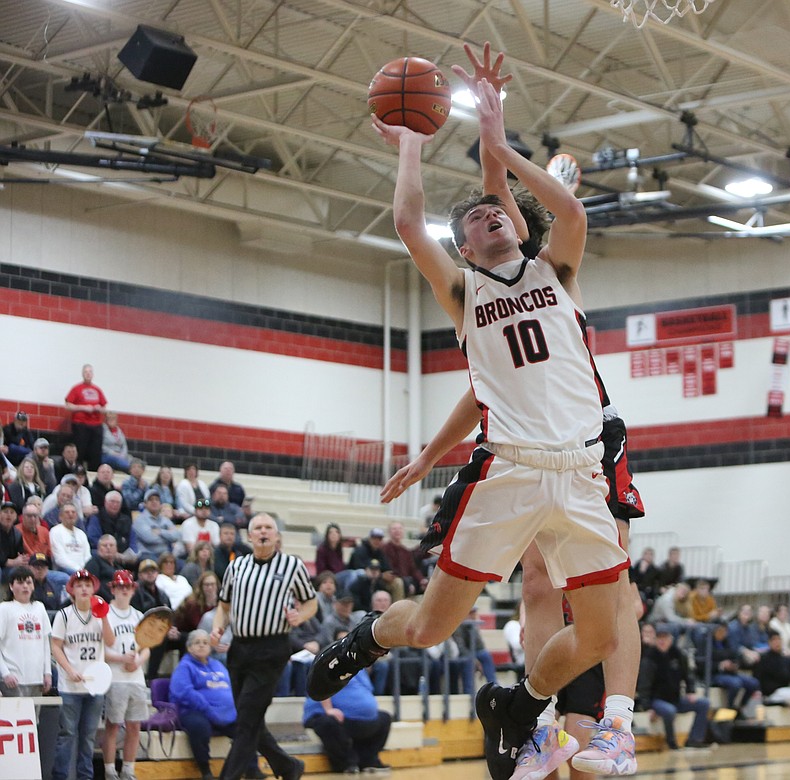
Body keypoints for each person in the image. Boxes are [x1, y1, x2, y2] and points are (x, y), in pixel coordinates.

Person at [310, 67, 632, 780]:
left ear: (514, 225)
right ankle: (367, 635)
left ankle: (519, 705)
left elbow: (572, 214)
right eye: (475, 222)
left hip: (579, 473)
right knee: (428, 628)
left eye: (496, 213)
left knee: (602, 634)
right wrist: (409, 143)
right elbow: (405, 222)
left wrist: (499, 142)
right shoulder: (465, 292)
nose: (489, 218)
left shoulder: (559, 271)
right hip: (510, 470)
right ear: (463, 248)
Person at [210, 513, 314, 780]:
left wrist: (298, 617)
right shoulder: (237, 566)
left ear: (277, 535)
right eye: (258, 527)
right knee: (250, 718)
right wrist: (217, 627)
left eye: (269, 527)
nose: (264, 531)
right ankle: (288, 767)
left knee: (245, 721)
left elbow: (310, 603)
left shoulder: (292, 565)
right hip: (239, 648)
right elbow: (223, 606)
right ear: (250, 535)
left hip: (272, 649)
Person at [51, 569, 114, 780]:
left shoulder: (101, 613)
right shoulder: (64, 615)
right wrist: (69, 670)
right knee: (67, 735)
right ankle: (60, 776)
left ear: (93, 589)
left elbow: (110, 641)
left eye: (88, 584)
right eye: (80, 585)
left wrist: (104, 616)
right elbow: (56, 646)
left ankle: (85, 777)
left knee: (88, 737)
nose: (84, 588)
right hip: (70, 686)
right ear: (72, 590)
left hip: (95, 685)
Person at [302, 628, 392, 774]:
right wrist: (328, 709)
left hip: (358, 719)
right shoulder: (329, 661)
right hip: (328, 714)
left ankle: (368, 760)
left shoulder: (358, 665)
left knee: (384, 718)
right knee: (328, 723)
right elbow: (320, 685)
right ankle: (346, 763)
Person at [170, 629, 239, 780]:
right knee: (199, 726)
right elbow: (184, 692)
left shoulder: (218, 665)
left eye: (205, 643)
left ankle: (246, 769)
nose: (202, 646)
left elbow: (230, 688)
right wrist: (208, 709)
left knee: (247, 728)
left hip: (223, 712)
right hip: (195, 711)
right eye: (197, 643)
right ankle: (205, 770)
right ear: (189, 647)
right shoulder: (184, 666)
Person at [103, 570, 149, 780]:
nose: (124, 590)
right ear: (112, 589)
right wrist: (122, 659)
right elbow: (100, 651)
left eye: (127, 586)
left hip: (137, 678)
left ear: (133, 589)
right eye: (120, 586)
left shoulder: (139, 615)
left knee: (134, 725)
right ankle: (110, 770)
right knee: (113, 725)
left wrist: (138, 661)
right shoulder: (105, 615)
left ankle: (129, 769)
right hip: (115, 678)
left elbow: (147, 646)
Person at [636, 627, 709, 750]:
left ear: (671, 639)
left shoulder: (678, 654)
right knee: (669, 711)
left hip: (676, 698)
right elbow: (644, 685)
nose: (662, 641)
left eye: (665, 638)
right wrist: (647, 707)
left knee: (704, 703)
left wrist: (691, 691)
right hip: (657, 700)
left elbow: (688, 675)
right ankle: (672, 743)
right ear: (655, 640)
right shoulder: (649, 658)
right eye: (659, 638)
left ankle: (694, 739)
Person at [0, 565, 53, 697]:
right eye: (20, 582)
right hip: (13, 679)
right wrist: (5, 673)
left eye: (28, 582)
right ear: (11, 586)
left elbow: (45, 643)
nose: (25, 586)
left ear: (33, 586)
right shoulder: (4, 609)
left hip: (36, 678)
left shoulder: (39, 608)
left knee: (35, 718)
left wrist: (47, 673)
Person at [133, 489, 181, 561]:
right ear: (145, 504)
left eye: (157, 499)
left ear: (160, 504)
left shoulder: (165, 520)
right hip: (147, 555)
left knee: (182, 564)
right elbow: (149, 538)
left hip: (165, 555)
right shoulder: (140, 520)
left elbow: (176, 536)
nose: (154, 502)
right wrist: (168, 536)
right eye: (151, 500)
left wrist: (160, 531)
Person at [382, 520, 427, 595]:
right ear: (389, 532)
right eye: (394, 529)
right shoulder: (385, 548)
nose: (397, 531)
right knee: (399, 583)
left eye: (400, 528)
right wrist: (406, 583)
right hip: (393, 581)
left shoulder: (405, 551)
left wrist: (421, 580)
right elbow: (390, 569)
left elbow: (413, 569)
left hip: (406, 581)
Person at [50, 503, 90, 575]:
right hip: (64, 570)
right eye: (67, 512)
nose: (70, 514)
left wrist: (85, 569)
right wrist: (79, 570)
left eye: (73, 512)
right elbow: (59, 559)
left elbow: (87, 556)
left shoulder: (81, 534)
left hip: (83, 570)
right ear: (60, 517)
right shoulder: (55, 531)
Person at [85, 534, 121, 600]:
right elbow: (92, 585)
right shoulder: (93, 563)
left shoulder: (118, 567)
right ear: (98, 548)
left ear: (116, 549)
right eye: (105, 545)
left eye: (111, 545)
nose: (108, 547)